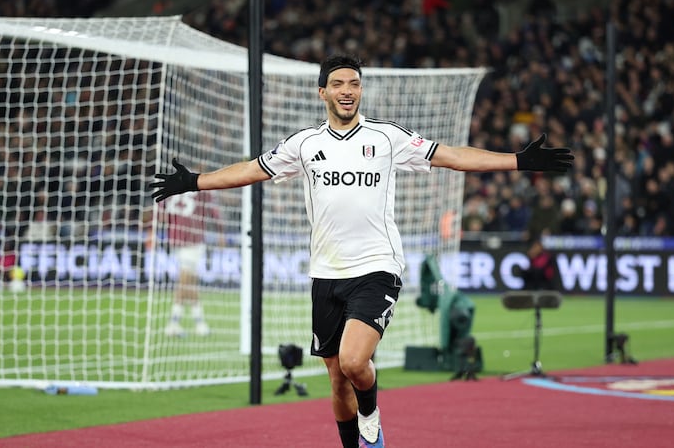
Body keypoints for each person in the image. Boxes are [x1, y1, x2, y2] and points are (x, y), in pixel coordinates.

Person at [150, 54, 573, 448]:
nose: (347, 90)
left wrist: (517, 161)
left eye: (354, 83)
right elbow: (252, 169)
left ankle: (371, 411)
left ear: (361, 90)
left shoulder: (387, 138)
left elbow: (451, 156)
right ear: (323, 93)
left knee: (355, 362)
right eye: (338, 84)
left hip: (377, 268)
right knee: (336, 380)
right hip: (325, 274)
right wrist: (195, 181)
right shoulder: (304, 144)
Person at [160, 170, 223, 337]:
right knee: (186, 283)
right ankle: (185, 323)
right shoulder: (201, 185)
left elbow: (161, 211)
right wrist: (220, 231)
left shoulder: (172, 186)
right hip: (191, 239)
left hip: (178, 239)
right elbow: (213, 212)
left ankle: (190, 322)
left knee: (187, 282)